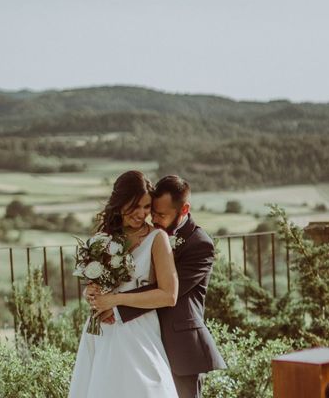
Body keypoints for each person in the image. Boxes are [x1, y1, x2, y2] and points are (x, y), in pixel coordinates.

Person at [90, 175, 226, 398]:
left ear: (184, 209)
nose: (152, 218)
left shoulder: (199, 244)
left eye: (161, 215)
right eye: (152, 211)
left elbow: (169, 290)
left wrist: (114, 304)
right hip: (143, 337)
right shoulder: (143, 236)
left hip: (179, 346)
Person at [69, 170, 179, 398]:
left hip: (138, 332)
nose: (141, 214)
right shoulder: (104, 238)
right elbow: (95, 285)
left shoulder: (157, 239)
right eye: (134, 206)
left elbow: (169, 295)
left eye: (146, 207)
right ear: (120, 204)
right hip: (103, 333)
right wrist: (91, 293)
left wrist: (115, 301)